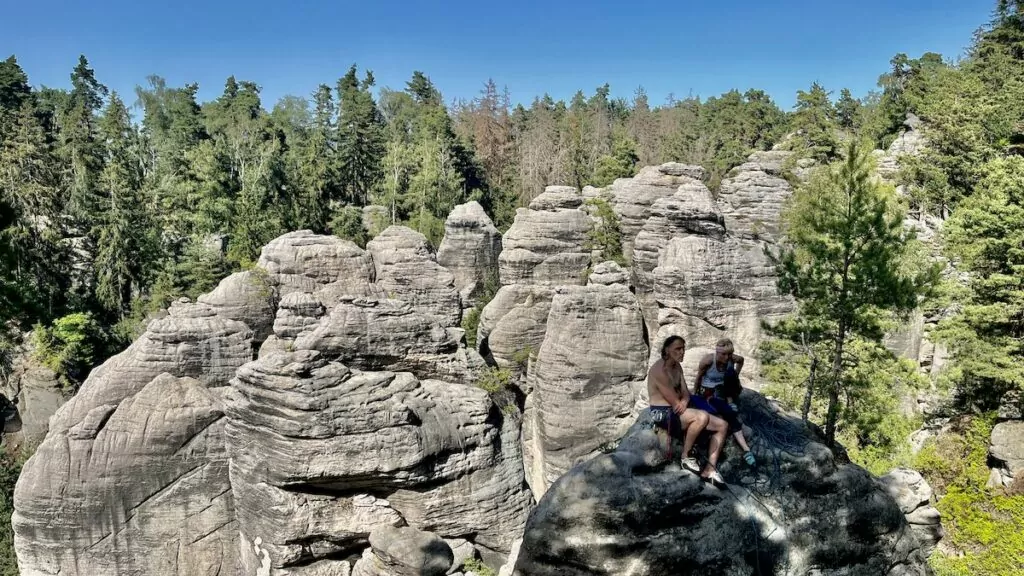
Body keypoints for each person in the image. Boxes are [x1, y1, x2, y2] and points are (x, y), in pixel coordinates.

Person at [648, 336, 730, 485]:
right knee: (701, 417)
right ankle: (685, 457)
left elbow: (685, 392)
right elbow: (674, 402)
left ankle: (710, 470)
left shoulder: (677, 367)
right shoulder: (659, 371)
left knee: (722, 425)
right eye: (678, 349)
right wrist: (683, 401)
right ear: (667, 350)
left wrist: (685, 400)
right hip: (663, 413)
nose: (682, 352)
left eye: (683, 348)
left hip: (680, 407)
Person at [694, 338, 756, 467]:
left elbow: (741, 360)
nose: (726, 357)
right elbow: (699, 377)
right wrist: (696, 394)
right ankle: (746, 450)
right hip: (709, 392)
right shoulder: (708, 360)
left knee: (730, 373)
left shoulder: (731, 359)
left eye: (729, 354)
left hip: (724, 389)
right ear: (717, 352)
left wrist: (736, 376)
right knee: (728, 413)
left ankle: (729, 399)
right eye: (723, 354)